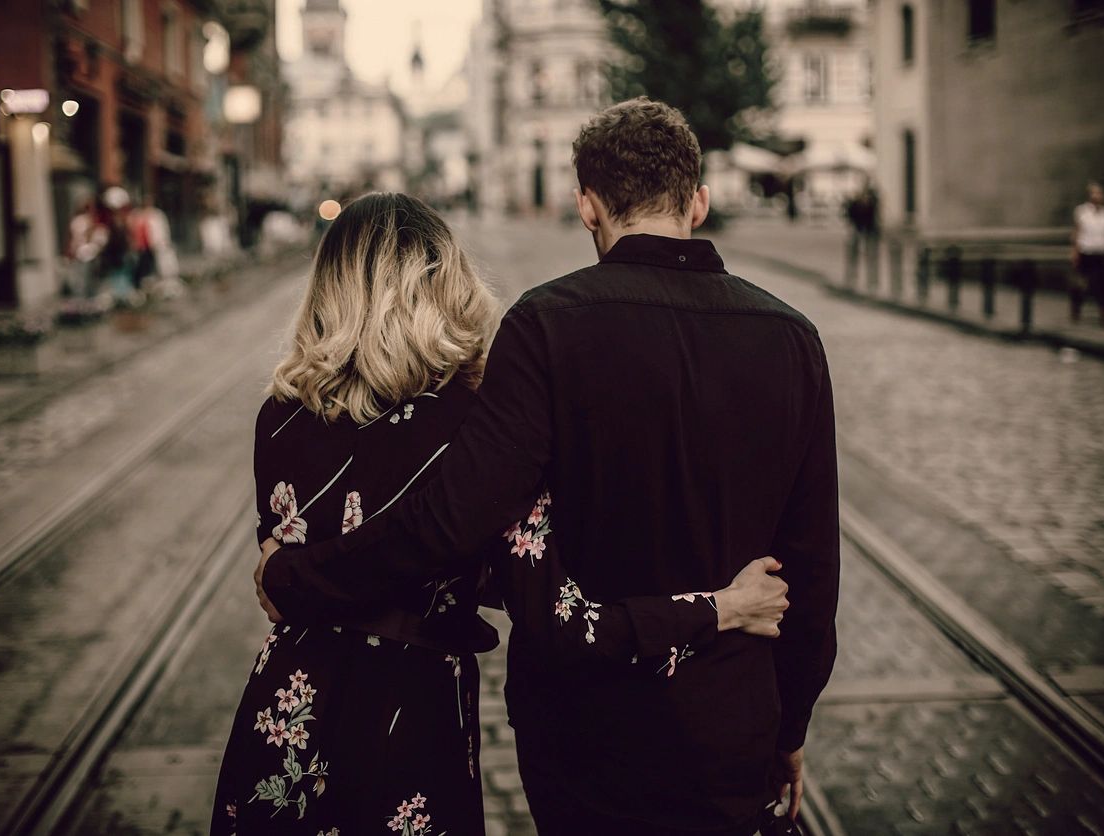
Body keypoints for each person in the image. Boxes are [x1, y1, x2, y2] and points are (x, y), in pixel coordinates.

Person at [256, 98, 839, 834]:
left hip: (583, 731)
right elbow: (813, 569)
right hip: (732, 715)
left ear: (586, 205)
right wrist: (790, 727)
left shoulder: (545, 324)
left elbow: (452, 521)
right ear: (699, 201)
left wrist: (294, 576)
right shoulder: (793, 340)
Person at [1070, 182, 1104, 326]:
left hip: (1102, 251)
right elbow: (1077, 232)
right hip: (1086, 251)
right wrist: (1075, 252)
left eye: (1099, 193)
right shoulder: (1082, 211)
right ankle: (1076, 309)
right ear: (1089, 196)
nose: (1097, 196)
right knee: (1081, 284)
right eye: (1094, 193)